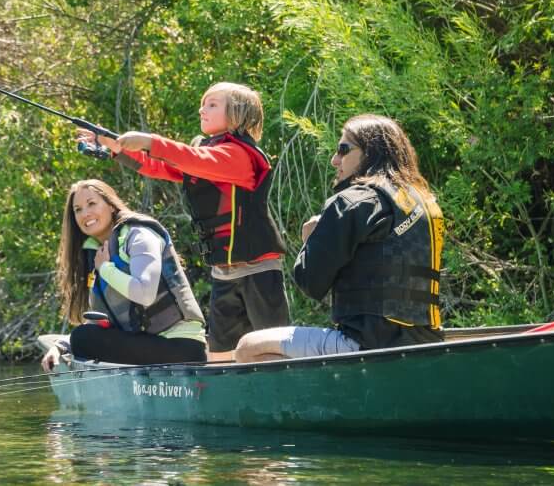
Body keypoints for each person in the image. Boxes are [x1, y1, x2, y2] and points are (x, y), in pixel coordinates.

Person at [78, 82, 289, 362]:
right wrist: (113, 146)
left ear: (238, 112)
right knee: (220, 356)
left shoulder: (237, 155)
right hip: (223, 273)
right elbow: (159, 166)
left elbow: (193, 159)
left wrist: (151, 142)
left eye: (212, 104)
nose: (203, 109)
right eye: (203, 103)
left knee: (272, 348)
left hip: (258, 270)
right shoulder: (205, 152)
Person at [233, 114, 444, 363]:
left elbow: (310, 282)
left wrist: (310, 239)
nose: (335, 160)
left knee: (247, 347)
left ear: (371, 153)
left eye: (343, 150)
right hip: (426, 343)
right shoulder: (423, 202)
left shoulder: (351, 202)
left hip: (366, 346)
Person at [40, 179, 207, 372]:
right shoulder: (97, 253)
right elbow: (100, 322)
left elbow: (145, 294)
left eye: (92, 204)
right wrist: (61, 347)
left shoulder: (139, 235)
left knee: (83, 338)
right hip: (146, 343)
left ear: (111, 206)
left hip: (182, 348)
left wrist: (106, 270)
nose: (85, 213)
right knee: (82, 335)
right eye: (78, 209)